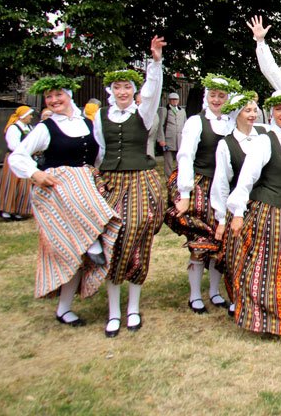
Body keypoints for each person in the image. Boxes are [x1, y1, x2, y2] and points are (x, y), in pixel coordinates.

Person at [9, 76, 122, 327]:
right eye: (48, 97)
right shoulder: (45, 128)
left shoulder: (87, 123)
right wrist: (35, 173)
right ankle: (93, 241)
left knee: (76, 255)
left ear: (69, 95)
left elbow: (100, 154)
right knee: (74, 248)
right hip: (58, 191)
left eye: (58, 95)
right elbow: (17, 155)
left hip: (85, 187)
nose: (53, 100)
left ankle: (64, 308)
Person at [224, 91, 281, 336]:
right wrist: (237, 212)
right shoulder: (265, 140)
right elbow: (247, 177)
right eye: (278, 110)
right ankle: (269, 320)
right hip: (270, 210)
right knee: (270, 268)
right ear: (272, 113)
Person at [93, 36, 166, 337]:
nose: (122, 92)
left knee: (137, 234)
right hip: (111, 180)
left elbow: (152, 92)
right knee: (113, 239)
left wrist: (156, 62)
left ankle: (133, 308)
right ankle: (113, 312)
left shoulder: (143, 113)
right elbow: (100, 150)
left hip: (139, 180)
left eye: (127, 88)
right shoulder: (100, 116)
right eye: (117, 88)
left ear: (133, 91)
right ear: (111, 91)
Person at [164, 73, 240, 314]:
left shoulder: (231, 123)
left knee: (221, 240)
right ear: (207, 96)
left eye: (221, 95)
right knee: (200, 239)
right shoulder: (196, 122)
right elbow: (185, 156)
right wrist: (184, 193)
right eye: (213, 95)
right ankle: (195, 295)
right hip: (202, 185)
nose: (217, 99)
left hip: (224, 187)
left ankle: (214, 292)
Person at [209, 91, 263, 318]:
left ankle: (256, 297)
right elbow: (221, 183)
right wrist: (221, 218)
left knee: (258, 255)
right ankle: (236, 298)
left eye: (254, 110)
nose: (252, 115)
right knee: (237, 256)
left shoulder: (263, 137)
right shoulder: (226, 144)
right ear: (236, 113)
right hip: (238, 206)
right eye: (247, 111)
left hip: (261, 204)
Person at [0, 106, 35, 221]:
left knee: (23, 185)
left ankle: (18, 210)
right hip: (14, 158)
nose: (31, 117)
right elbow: (13, 145)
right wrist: (26, 151)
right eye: (29, 114)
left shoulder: (30, 127)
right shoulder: (14, 128)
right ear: (23, 116)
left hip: (26, 158)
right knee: (11, 184)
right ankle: (6, 211)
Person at [158, 92, 187, 179]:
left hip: (180, 140)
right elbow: (161, 126)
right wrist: (161, 139)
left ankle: (180, 177)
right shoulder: (165, 110)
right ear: (169, 100)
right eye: (172, 100)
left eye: (176, 100)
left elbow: (185, 124)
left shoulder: (182, 111)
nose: (174, 101)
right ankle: (168, 179)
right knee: (168, 162)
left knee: (181, 161)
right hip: (169, 140)